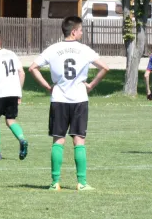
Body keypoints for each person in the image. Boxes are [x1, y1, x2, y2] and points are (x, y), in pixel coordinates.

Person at [29, 16, 109, 191]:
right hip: (80, 99)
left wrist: (47, 86)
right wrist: (91, 85)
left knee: (58, 140)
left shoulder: (53, 49)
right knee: (79, 140)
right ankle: (81, 183)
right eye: (81, 30)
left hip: (58, 99)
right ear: (74, 31)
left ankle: (54, 182)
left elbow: (32, 67)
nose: (82, 32)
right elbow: (105, 67)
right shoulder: (84, 50)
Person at [0, 30, 28, 161]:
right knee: (11, 120)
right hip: (13, 91)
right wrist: (19, 92)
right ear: (0, 41)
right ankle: (22, 139)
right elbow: (22, 73)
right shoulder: (12, 54)